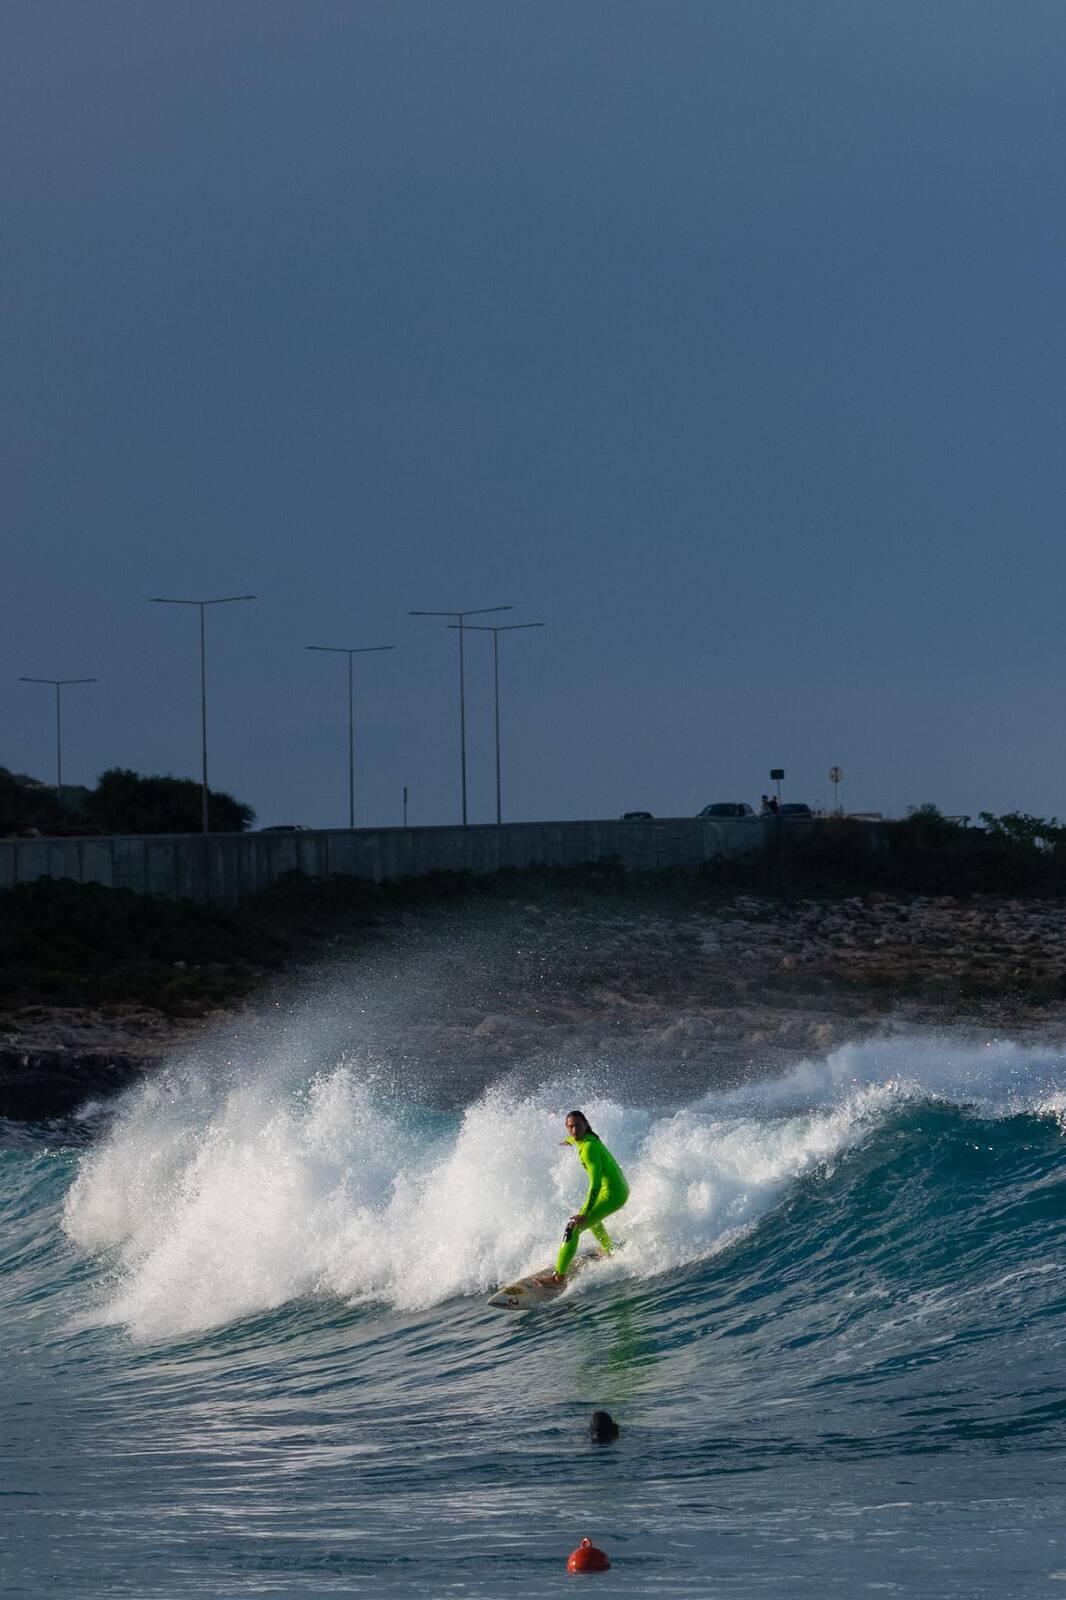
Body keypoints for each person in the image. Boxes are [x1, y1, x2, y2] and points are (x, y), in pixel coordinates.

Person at [538, 1110, 629, 1285]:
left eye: (578, 1126)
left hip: (613, 1194)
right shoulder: (585, 1138)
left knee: (572, 1228)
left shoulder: (589, 1148)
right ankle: (608, 1250)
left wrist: (585, 1213)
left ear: (585, 1124)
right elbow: (574, 1137)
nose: (574, 1130)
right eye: (570, 1127)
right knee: (591, 1219)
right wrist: (568, 1141)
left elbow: (595, 1184)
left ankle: (558, 1278)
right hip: (618, 1188)